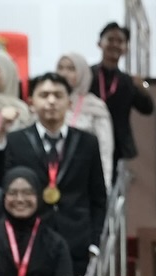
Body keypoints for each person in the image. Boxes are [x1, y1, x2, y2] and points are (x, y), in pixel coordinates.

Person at [0, 72, 108, 276]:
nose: (51, 101)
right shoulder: (16, 141)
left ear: (70, 102)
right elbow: (2, 187)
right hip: (30, 237)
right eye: (44, 95)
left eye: (58, 95)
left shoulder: (87, 142)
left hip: (77, 238)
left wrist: (94, 241)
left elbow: (98, 195)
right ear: (31, 102)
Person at [93, 22, 155, 163]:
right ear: (99, 43)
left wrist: (143, 88)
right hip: (92, 139)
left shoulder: (128, 81)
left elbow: (147, 108)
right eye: (110, 39)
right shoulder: (89, 75)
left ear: (125, 48)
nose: (115, 44)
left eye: (120, 41)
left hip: (118, 145)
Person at [53, 52, 114, 189]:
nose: (64, 73)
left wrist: (104, 183)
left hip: (84, 178)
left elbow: (105, 148)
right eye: (60, 68)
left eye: (71, 69)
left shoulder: (95, 107)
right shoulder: (48, 103)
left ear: (82, 72)